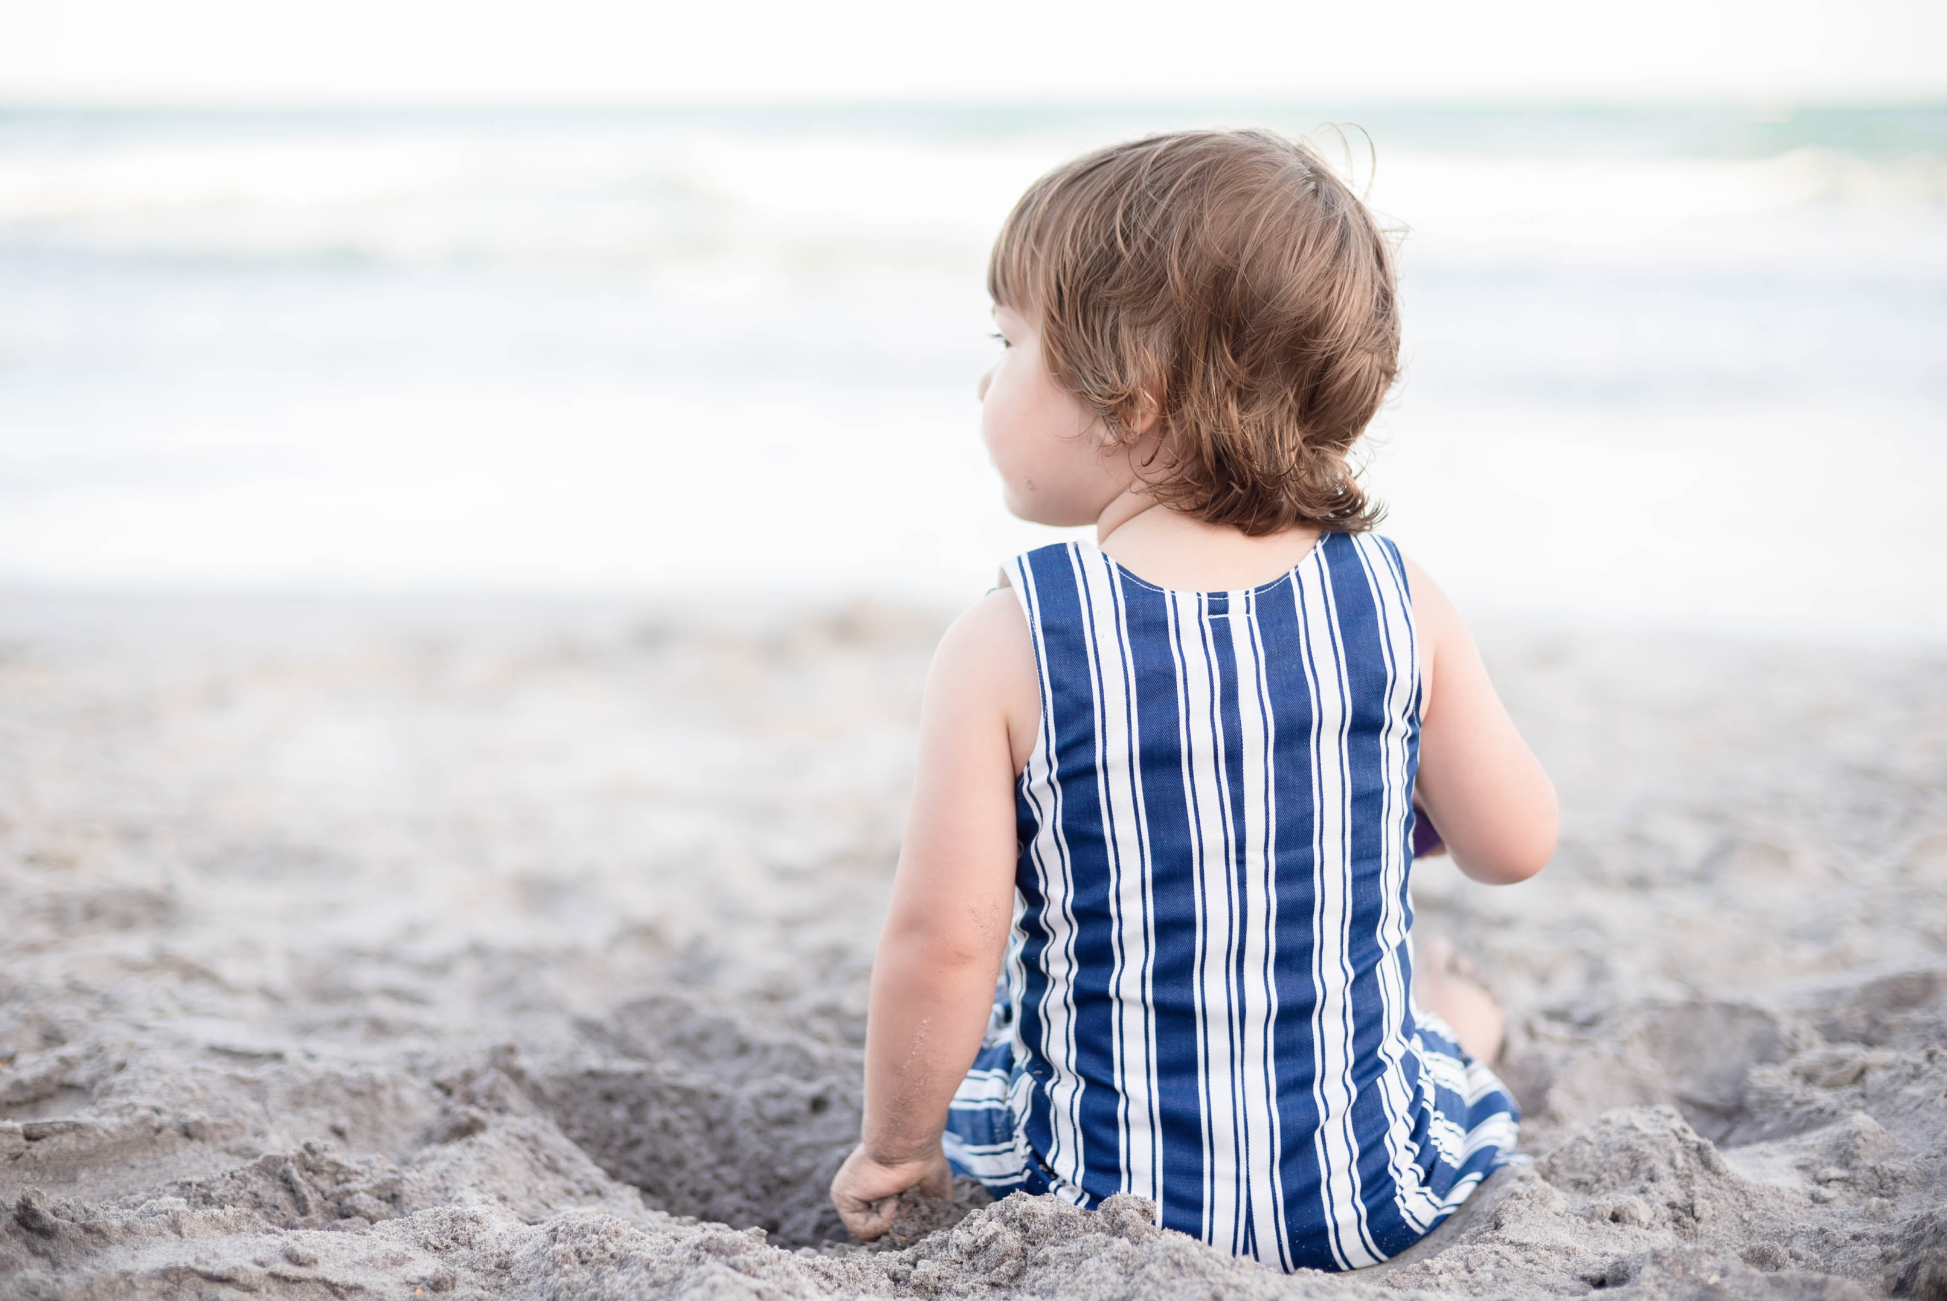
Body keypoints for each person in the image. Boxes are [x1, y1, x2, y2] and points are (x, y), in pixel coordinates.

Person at [828, 129, 1557, 1271]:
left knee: (989, 1055)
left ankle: (1439, 1005)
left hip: (1096, 1210)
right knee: (1426, 1026)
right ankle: (1464, 1011)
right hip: (1361, 1199)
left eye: (1009, 341)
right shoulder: (1395, 600)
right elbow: (1514, 844)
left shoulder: (1013, 634)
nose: (985, 376)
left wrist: (896, 1147)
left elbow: (942, 945)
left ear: (1132, 398)